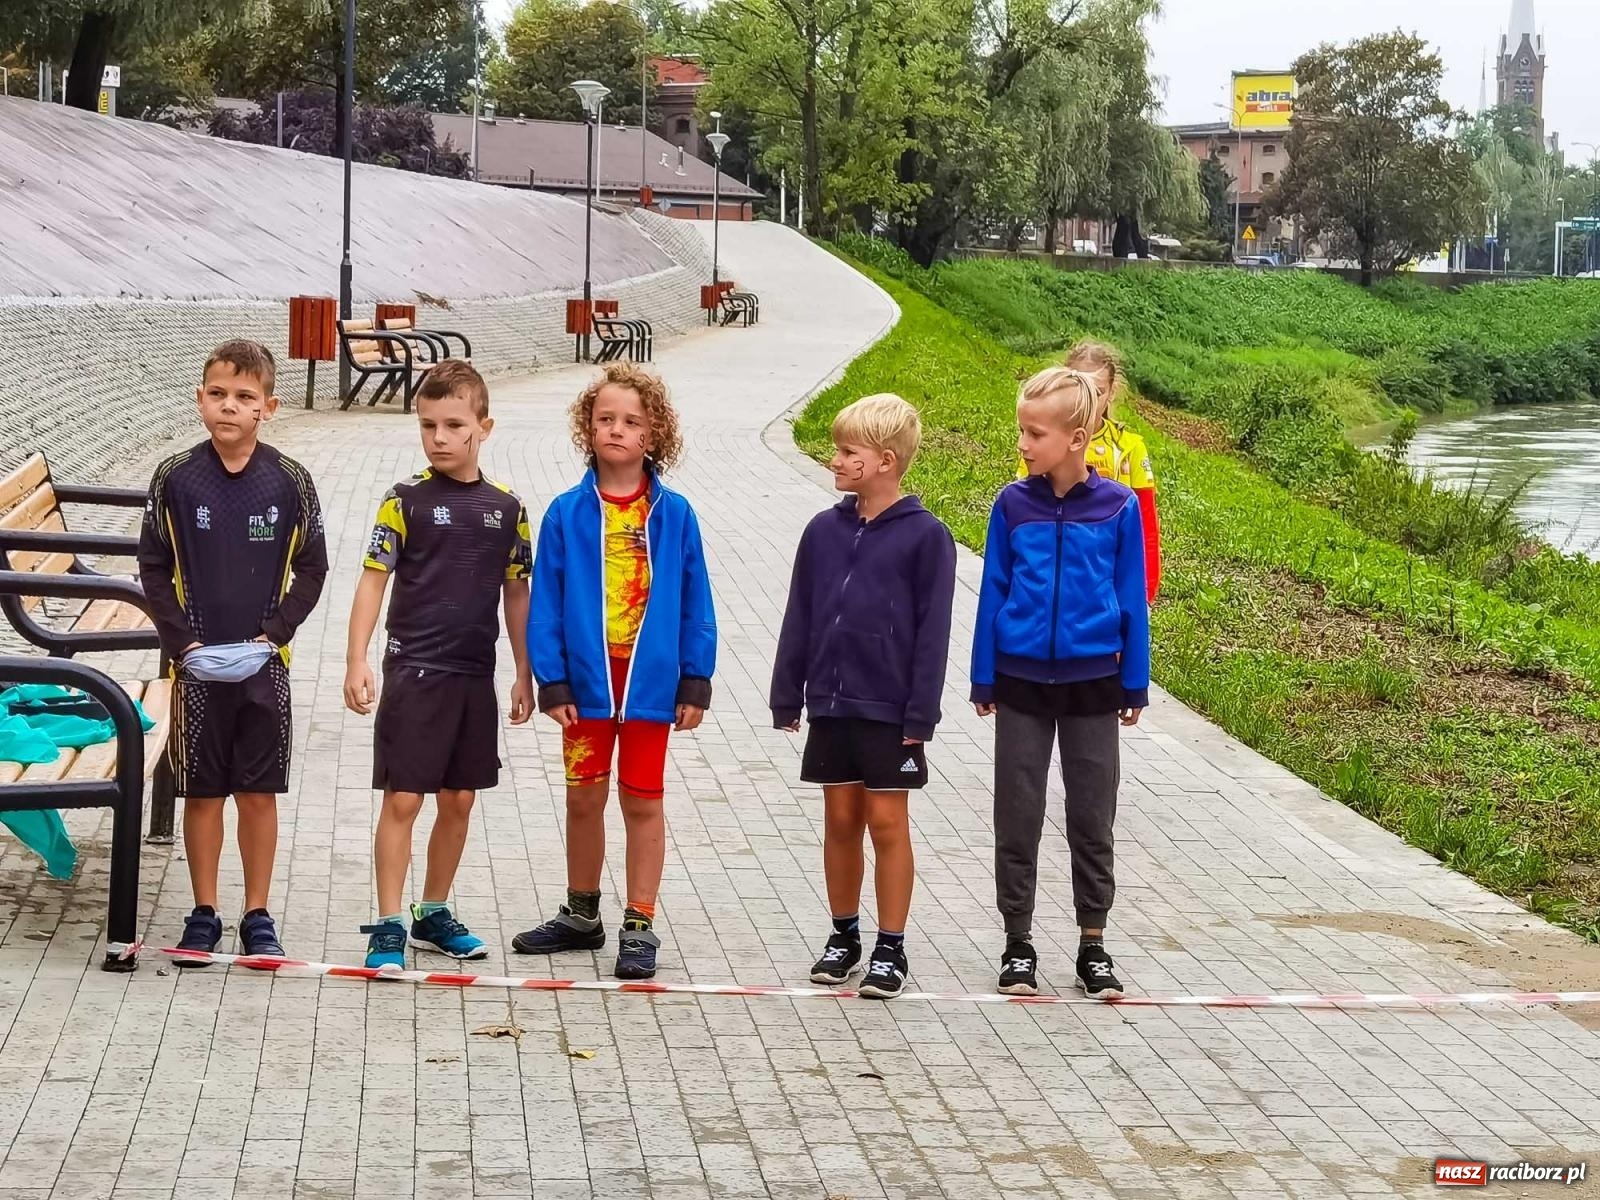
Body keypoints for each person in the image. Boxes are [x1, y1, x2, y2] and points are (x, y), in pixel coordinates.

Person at [513, 362, 716, 981]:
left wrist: (694, 678)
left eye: (631, 421)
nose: (617, 430)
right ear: (588, 427)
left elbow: (697, 600)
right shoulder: (566, 514)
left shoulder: (674, 515)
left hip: (650, 686)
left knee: (643, 800)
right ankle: (581, 915)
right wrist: (551, 679)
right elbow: (544, 603)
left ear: (653, 434)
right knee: (584, 797)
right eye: (605, 419)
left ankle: (639, 922)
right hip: (586, 688)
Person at [139, 340, 328, 963]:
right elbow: (153, 567)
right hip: (194, 666)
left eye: (244, 397)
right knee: (202, 791)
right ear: (200, 401)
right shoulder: (174, 478)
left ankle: (257, 913)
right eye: (217, 394)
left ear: (267, 407)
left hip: (262, 667)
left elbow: (312, 569)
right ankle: (203, 911)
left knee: (258, 791)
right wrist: (183, 642)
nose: (229, 406)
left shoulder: (290, 480)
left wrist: (273, 636)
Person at [344, 360, 534, 970]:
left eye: (455, 425)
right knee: (404, 799)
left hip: (473, 674)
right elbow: (373, 582)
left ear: (485, 426)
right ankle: (389, 923)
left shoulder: (509, 508)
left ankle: (433, 912)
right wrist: (358, 659)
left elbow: (518, 594)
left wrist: (524, 671)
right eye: (429, 426)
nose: (441, 438)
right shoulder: (404, 501)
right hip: (414, 672)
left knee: (459, 800)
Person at [770, 394, 956, 999]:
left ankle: (890, 948)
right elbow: (800, 612)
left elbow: (934, 633)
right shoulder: (822, 531)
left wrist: (920, 713)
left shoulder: (928, 538)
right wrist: (787, 692)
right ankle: (843, 936)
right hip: (830, 702)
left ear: (885, 460)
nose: (836, 459)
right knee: (840, 819)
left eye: (848, 451)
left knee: (886, 821)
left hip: (891, 710)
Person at [973, 366, 1150, 999]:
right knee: (1017, 814)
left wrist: (1134, 683)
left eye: (1035, 433)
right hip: (1019, 679)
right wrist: (983, 673)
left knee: (1091, 815)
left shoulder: (1118, 507)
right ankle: (1017, 942)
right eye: (1021, 430)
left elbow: (1131, 596)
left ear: (1076, 438)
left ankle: (1092, 944)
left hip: (1093, 684)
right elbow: (993, 589)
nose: (1022, 443)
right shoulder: (1010, 505)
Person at [1016, 340, 1160, 602]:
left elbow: (1146, 525)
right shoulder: (1043, 442)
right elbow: (1021, 509)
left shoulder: (1130, 447)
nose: (1088, 400)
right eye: (1078, 387)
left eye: (1097, 391)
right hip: (1049, 575)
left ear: (1112, 392)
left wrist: (1145, 594)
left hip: (1105, 576)